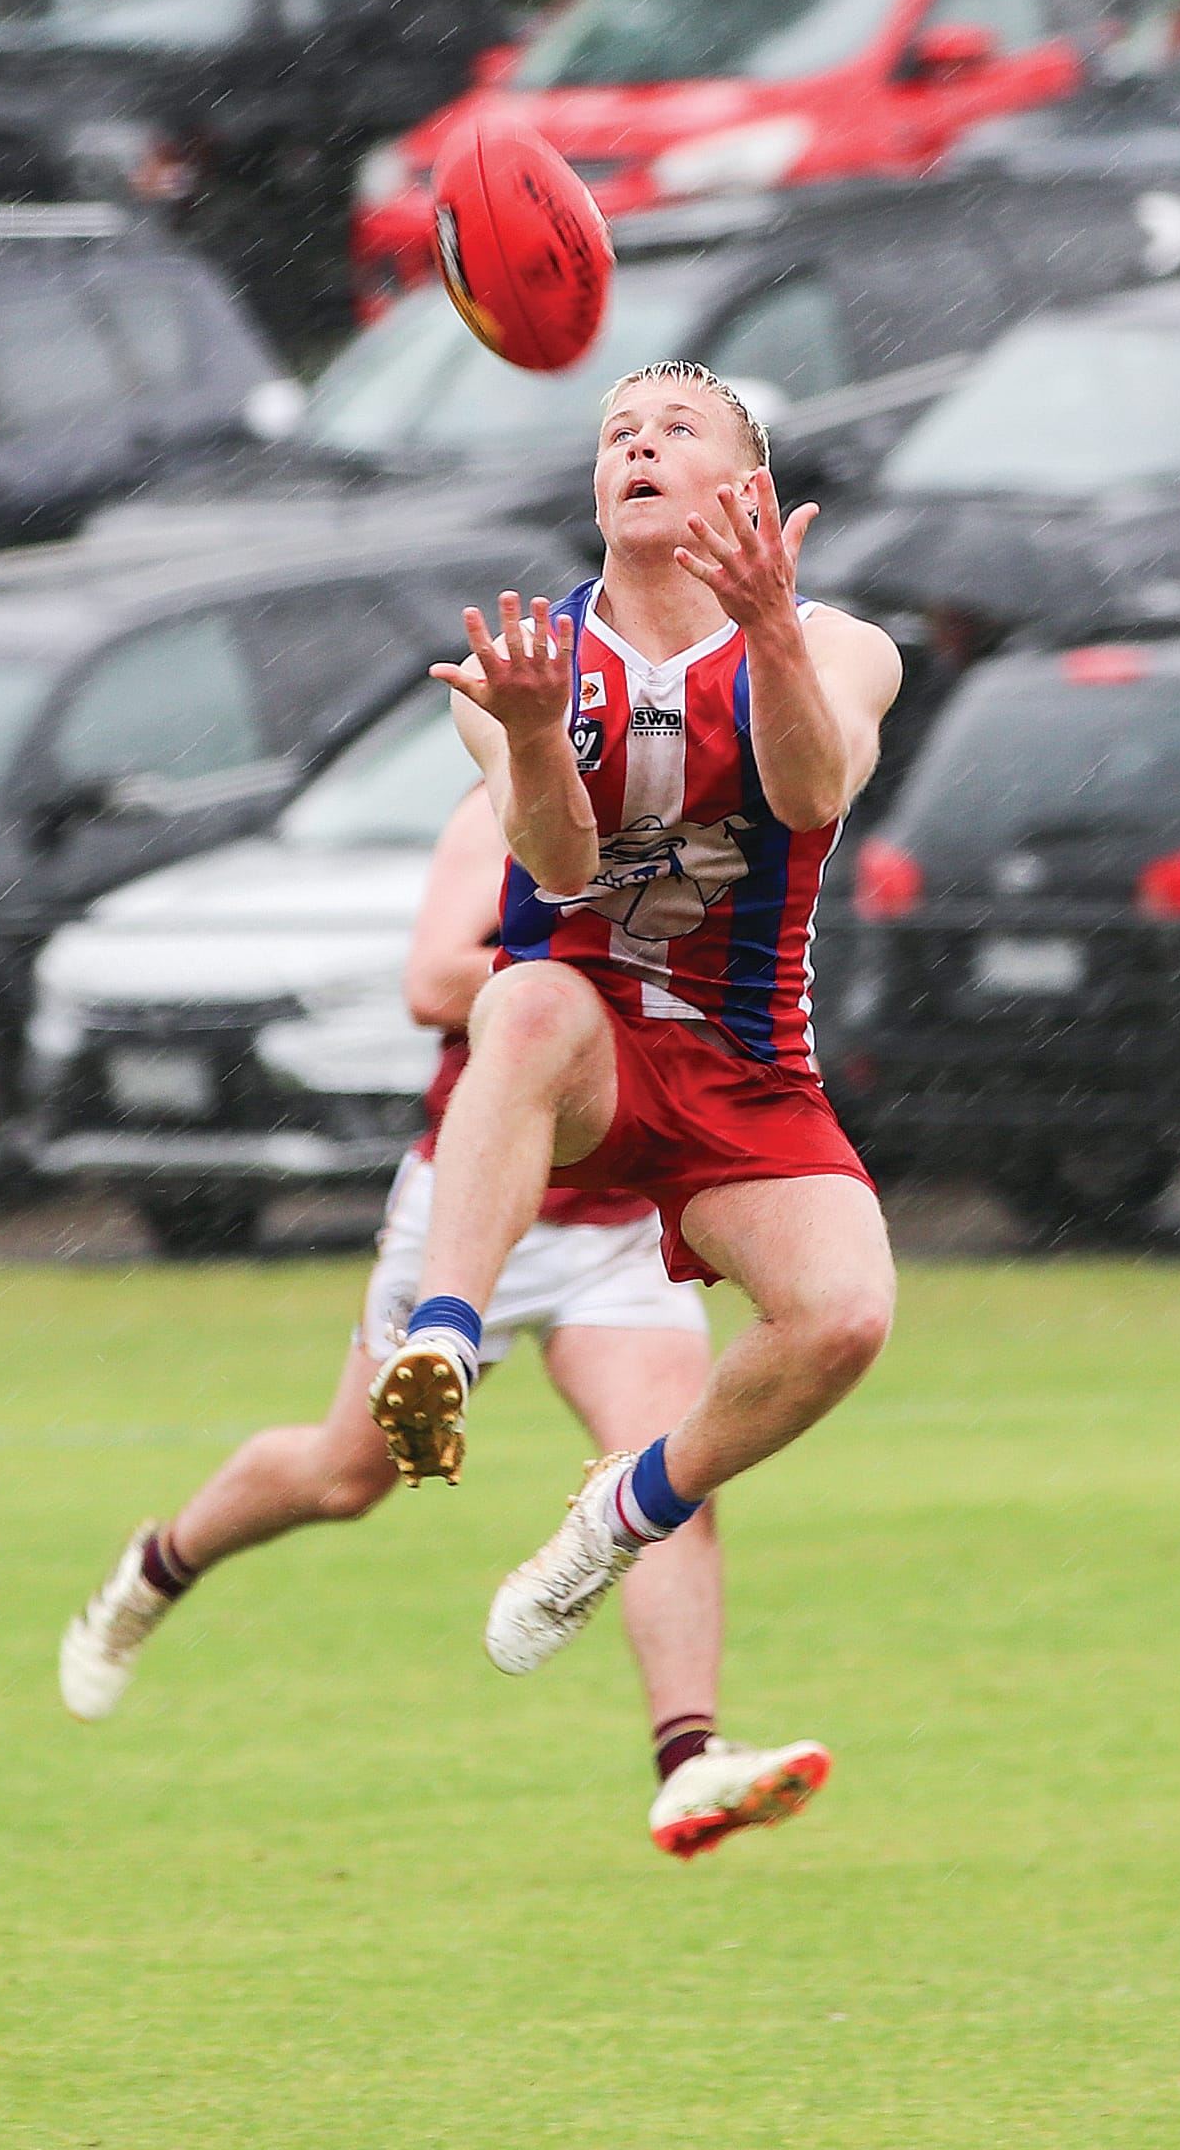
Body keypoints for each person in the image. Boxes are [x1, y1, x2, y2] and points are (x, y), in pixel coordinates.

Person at [58, 777, 833, 1858]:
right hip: (478, 1208)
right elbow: (433, 981)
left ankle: (687, 1759)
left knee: (670, 1475)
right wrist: (621, 968)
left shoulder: (710, 805)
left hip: (619, 1221)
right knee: (341, 1476)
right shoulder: (504, 804)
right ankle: (156, 1572)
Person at [368, 355, 902, 1718]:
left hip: (741, 1056)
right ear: (598, 485)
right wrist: (538, 735)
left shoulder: (841, 644)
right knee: (527, 995)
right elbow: (552, 867)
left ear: (747, 487)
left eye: (677, 428)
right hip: (590, 1046)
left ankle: (625, 1510)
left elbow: (807, 788)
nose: (640, 445)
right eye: (618, 433)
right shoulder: (522, 659)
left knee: (844, 1317)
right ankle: (442, 1335)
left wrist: (769, 628)